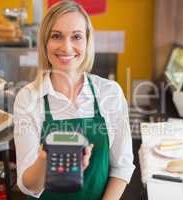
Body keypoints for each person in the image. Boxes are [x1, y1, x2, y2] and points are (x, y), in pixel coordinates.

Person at [13, 1, 135, 199]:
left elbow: (122, 167)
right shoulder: (29, 98)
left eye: (76, 36)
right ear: (45, 42)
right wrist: (46, 158)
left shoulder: (110, 92)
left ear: (87, 42)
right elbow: (28, 185)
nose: (66, 47)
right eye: (56, 36)